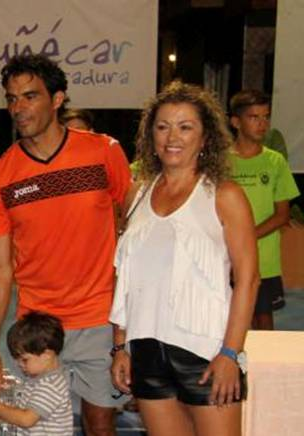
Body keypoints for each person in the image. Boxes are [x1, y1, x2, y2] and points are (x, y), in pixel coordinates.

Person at [0, 54, 131, 436]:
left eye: (30, 96)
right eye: (12, 99)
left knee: (100, 425)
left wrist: (129, 328)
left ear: (58, 99)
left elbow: (133, 228)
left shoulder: (103, 152)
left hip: (99, 318)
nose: (19, 108)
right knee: (38, 428)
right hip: (38, 328)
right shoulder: (0, 175)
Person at [109, 81, 258, 436]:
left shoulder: (225, 195)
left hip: (207, 354)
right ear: (151, 136)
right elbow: (125, 277)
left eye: (185, 127)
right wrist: (120, 347)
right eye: (162, 127)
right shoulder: (137, 193)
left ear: (205, 138)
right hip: (145, 351)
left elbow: (248, 280)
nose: (171, 137)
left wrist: (230, 354)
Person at [227, 90, 300, 330]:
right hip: (226, 259)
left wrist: (247, 237)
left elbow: (282, 215)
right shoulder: (221, 162)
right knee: (231, 323)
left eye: (265, 117)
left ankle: (261, 371)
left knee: (264, 324)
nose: (262, 124)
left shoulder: (275, 161)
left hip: (264, 262)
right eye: (254, 117)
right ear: (236, 122)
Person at [0, 312, 72, 436]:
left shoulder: (50, 385)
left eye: (24, 359)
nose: (19, 364)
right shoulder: (37, 378)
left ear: (46, 355)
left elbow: (26, 419)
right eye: (17, 359)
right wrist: (6, 416)